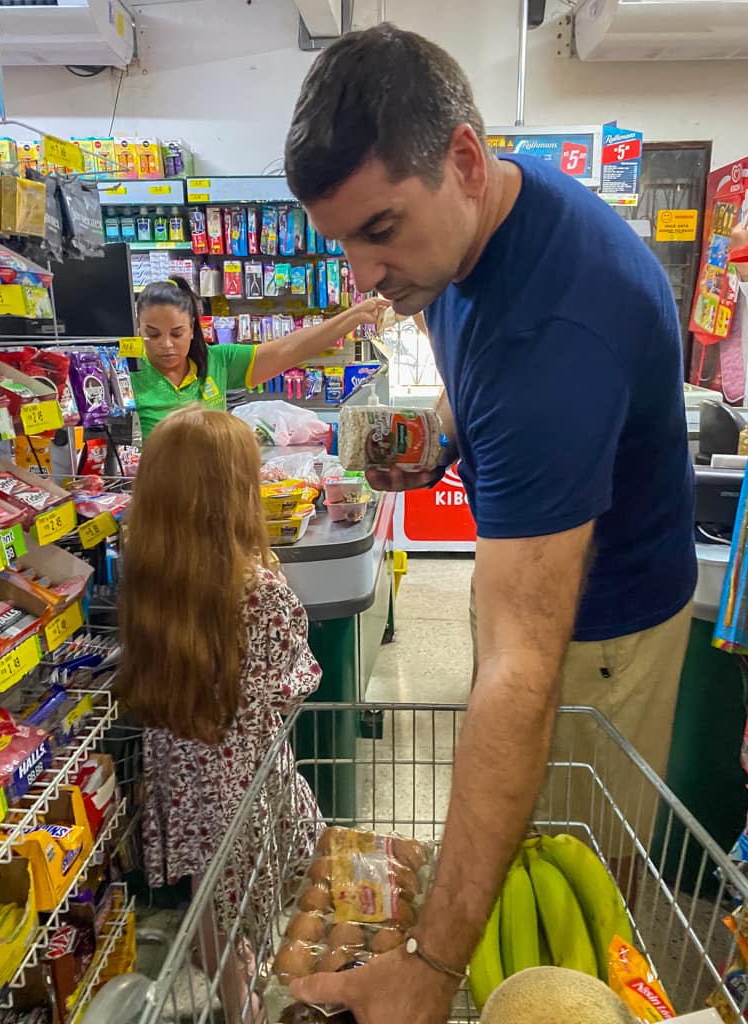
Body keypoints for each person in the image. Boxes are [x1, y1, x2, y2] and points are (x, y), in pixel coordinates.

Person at [283, 22, 696, 1024]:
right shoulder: (473, 235)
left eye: (378, 231)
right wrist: (441, 436)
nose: (362, 277)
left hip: (604, 633)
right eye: (341, 242)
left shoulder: (558, 318)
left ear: (465, 159)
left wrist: (427, 969)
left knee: (570, 889)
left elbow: (524, 662)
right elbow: (487, 379)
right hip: (546, 583)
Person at [117, 406, 323, 1014]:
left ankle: (232, 984)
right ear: (233, 493)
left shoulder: (150, 574)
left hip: (184, 778)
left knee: (209, 900)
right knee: (250, 899)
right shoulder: (261, 591)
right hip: (245, 783)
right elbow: (295, 684)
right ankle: (245, 1001)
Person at [132, 275, 388, 439]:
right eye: (152, 335)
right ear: (138, 328)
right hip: (157, 500)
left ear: (192, 328)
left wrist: (353, 316)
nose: (166, 345)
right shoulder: (127, 374)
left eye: (177, 334)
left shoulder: (217, 361)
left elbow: (288, 349)